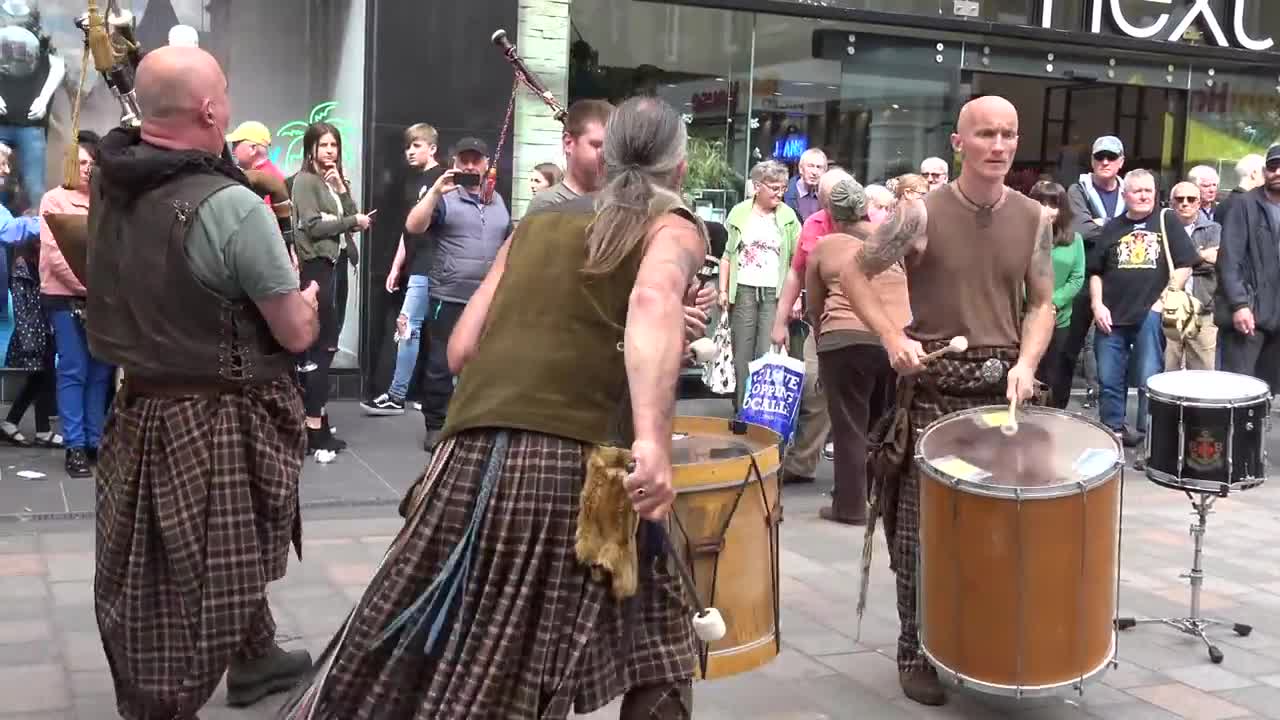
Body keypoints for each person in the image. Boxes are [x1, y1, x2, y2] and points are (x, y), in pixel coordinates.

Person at [281, 96, 707, 720]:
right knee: (558, 660)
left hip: (467, 456)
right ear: (681, 168)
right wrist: (652, 441)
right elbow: (649, 304)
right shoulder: (673, 225)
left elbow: (459, 350)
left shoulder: (534, 226)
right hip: (575, 464)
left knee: (644, 631)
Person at [84, 46, 321, 718]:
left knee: (206, 547)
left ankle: (255, 656)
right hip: (216, 417)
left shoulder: (108, 182)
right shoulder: (232, 208)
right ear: (211, 110)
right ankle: (162, 703)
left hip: (136, 402)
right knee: (191, 578)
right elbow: (295, 333)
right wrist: (303, 301)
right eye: (226, 91)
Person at [840, 95, 1056, 706]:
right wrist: (891, 337)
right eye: (985, 133)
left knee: (999, 533)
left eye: (1008, 134)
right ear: (959, 142)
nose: (998, 145)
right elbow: (855, 272)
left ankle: (977, 639)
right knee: (915, 532)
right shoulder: (919, 214)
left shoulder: (1036, 218)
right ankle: (916, 649)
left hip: (1001, 393)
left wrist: (1027, 363)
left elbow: (1042, 303)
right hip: (933, 391)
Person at [805, 176, 906, 525]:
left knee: (849, 427)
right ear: (865, 208)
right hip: (891, 340)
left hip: (843, 341)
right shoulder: (890, 243)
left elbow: (814, 307)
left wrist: (821, 342)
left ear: (831, 214)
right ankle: (877, 498)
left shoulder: (825, 246)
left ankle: (849, 507)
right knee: (881, 422)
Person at [405, 137, 512, 451]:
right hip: (448, 295)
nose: (469, 166)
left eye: (475, 160)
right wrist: (436, 191)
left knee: (483, 364)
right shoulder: (444, 199)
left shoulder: (499, 201)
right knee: (440, 362)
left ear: (486, 164)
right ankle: (436, 424)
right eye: (463, 160)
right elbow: (413, 226)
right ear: (454, 163)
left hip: (488, 299)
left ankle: (473, 420)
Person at [1088, 169, 1196, 457]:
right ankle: (1114, 433)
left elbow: (1186, 262)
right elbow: (1095, 271)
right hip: (1111, 315)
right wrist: (1097, 305)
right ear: (1125, 195)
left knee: (1150, 379)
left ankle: (1149, 440)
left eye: (1149, 190)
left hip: (1150, 315)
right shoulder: (1112, 227)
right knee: (1109, 379)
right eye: (1137, 191)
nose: (1144, 195)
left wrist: (1165, 297)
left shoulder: (1166, 220)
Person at [292, 122, 373, 452]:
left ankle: (318, 420)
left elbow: (354, 216)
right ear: (310, 148)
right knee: (320, 349)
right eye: (323, 145)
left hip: (336, 266)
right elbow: (312, 227)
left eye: (334, 145)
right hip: (317, 268)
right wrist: (351, 221)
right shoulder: (305, 182)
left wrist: (341, 189)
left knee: (328, 344)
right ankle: (312, 425)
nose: (330, 151)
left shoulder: (329, 182)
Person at [39, 132, 113, 477]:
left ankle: (94, 440)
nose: (87, 169)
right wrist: (89, 287)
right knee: (74, 370)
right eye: (82, 163)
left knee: (100, 373)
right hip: (66, 296)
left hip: (101, 299)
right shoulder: (53, 200)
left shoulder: (106, 201)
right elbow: (56, 256)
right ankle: (75, 447)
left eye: (92, 163)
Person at [361, 123, 447, 416]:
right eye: (408, 146)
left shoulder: (443, 179)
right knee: (412, 327)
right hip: (418, 262)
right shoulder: (414, 181)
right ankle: (407, 394)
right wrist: (397, 266)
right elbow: (408, 228)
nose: (410, 151)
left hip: (436, 263)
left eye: (417, 145)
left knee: (411, 325)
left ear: (432, 148)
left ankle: (399, 395)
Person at [719, 159, 801, 411]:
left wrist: (796, 298)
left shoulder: (788, 217)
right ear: (757, 187)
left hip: (774, 293)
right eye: (774, 187)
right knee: (741, 352)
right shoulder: (739, 212)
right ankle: (742, 410)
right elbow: (727, 254)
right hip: (742, 289)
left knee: (767, 352)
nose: (780, 193)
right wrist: (722, 290)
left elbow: (797, 261)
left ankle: (761, 410)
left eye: (783, 188)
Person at [1214, 145, 1280, 391]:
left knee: (1267, 393)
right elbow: (1230, 259)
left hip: (1277, 316)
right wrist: (1240, 305)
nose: (1278, 172)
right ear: (1264, 171)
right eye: (1273, 167)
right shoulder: (1244, 204)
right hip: (1248, 314)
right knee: (1238, 390)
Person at [1028, 180, 1085, 408]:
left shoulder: (1074, 240)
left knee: (1055, 376)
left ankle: (1053, 421)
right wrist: (1037, 302)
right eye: (1040, 203)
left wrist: (1052, 302)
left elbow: (1077, 277)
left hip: (1059, 320)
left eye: (1053, 204)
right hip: (1025, 318)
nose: (1047, 210)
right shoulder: (1021, 238)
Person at [1164, 181, 1220, 371]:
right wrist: (1201, 255)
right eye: (1179, 199)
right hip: (1168, 310)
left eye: (1191, 199)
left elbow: (1216, 264)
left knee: (1202, 374)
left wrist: (1181, 262)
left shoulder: (1213, 229)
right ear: (1171, 203)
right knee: (1167, 372)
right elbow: (1163, 265)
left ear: (1199, 203)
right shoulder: (1162, 230)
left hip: (1203, 309)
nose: (1185, 203)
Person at [527, 99, 614, 213]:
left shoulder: (619, 202)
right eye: (597, 145)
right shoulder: (547, 205)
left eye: (612, 146)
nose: (605, 154)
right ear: (568, 143)